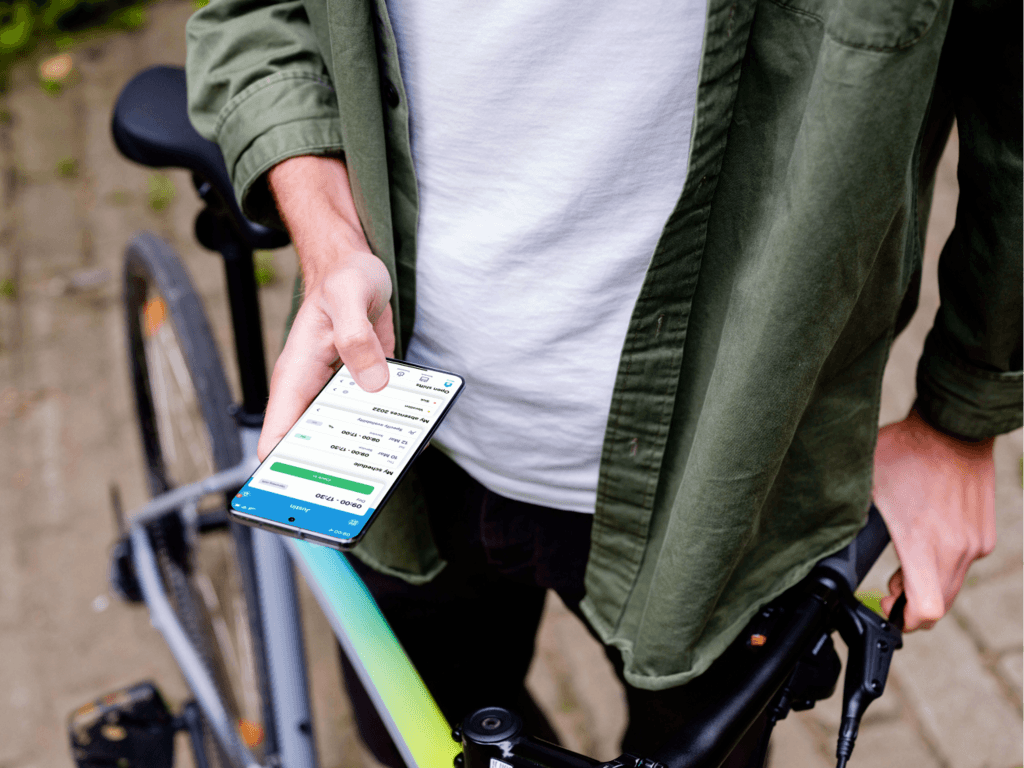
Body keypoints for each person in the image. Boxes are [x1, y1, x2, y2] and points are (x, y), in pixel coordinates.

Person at [186, 0, 1022, 763]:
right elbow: (259, 14)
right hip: (401, 437)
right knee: (414, 732)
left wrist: (959, 421)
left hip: (728, 481)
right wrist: (327, 235)